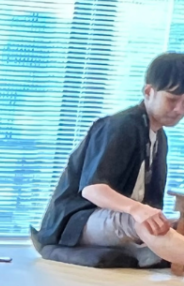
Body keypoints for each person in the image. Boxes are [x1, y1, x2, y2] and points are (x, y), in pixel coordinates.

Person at [36, 53, 184, 266]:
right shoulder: (120, 126)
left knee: (174, 223)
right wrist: (138, 210)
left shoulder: (159, 137)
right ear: (148, 92)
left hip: (113, 221)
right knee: (140, 220)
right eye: (172, 100)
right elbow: (92, 190)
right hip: (76, 223)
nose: (179, 110)